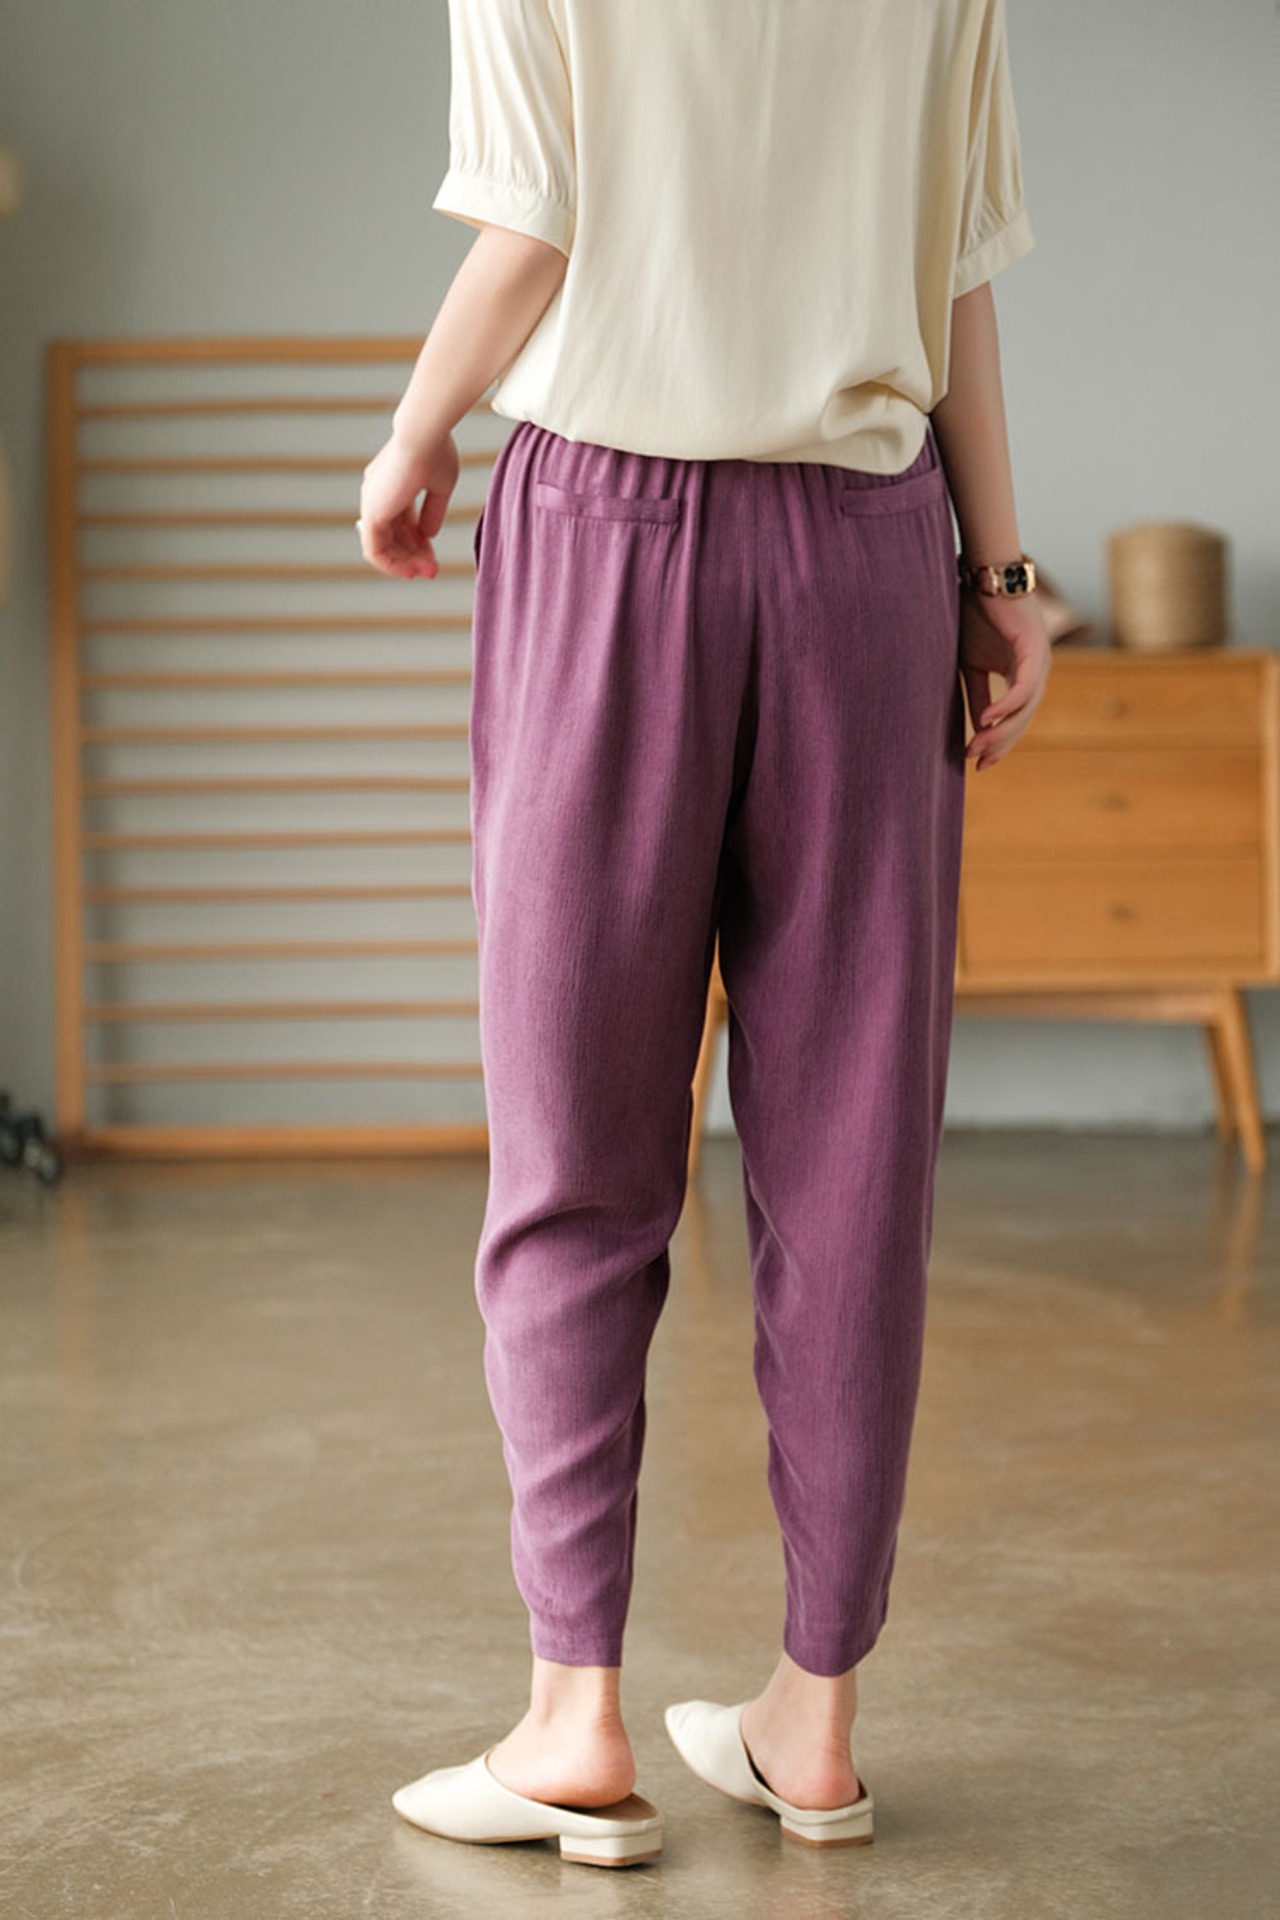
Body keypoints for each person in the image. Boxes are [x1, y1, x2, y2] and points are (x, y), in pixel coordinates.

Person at [358, 0, 1051, 1869]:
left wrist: (416, 432)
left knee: (577, 1149)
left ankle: (574, 1715)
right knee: (850, 1160)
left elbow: (534, 225)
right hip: (871, 551)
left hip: (606, 539)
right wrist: (1001, 570)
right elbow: (957, 268)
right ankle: (813, 1724)